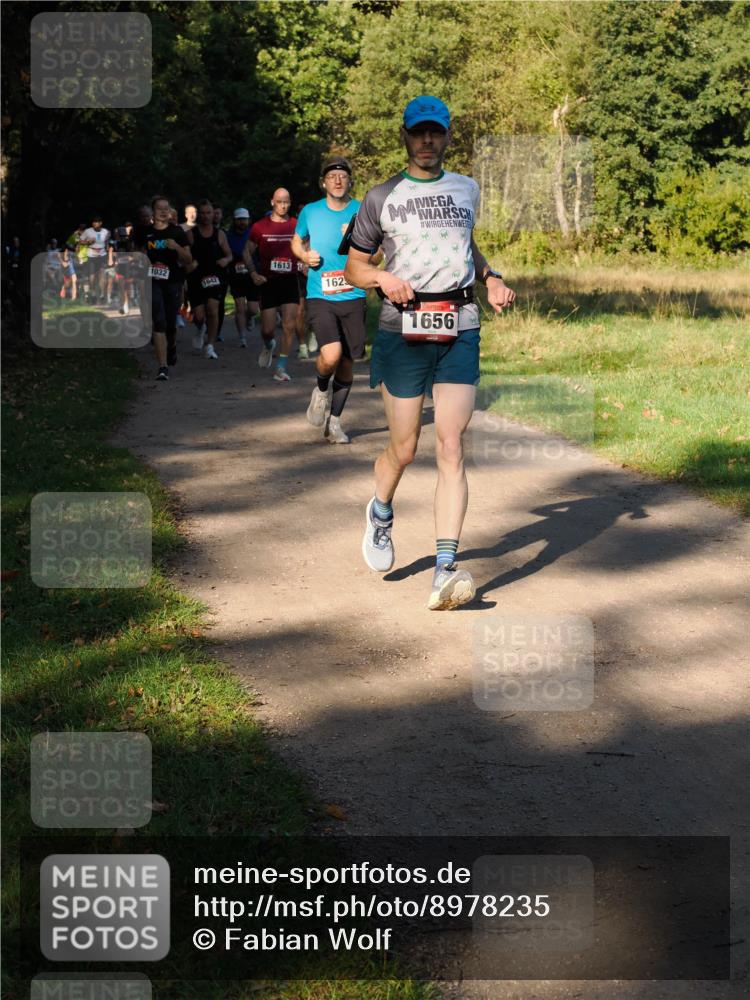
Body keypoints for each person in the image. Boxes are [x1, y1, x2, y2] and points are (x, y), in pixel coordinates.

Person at [345, 96, 516, 610]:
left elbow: (466, 245)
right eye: (419, 133)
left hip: (460, 325)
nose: (427, 142)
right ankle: (380, 511)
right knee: (404, 447)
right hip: (404, 330)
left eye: (435, 133)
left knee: (451, 445)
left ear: (447, 136)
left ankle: (446, 568)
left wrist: (490, 276)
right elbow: (355, 266)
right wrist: (380, 276)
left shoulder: (467, 188)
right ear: (405, 136)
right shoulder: (381, 197)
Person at [292, 157, 369, 444]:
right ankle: (321, 390)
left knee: (349, 361)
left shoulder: (362, 210)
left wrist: (358, 243)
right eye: (332, 176)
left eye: (343, 175)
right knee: (332, 354)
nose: (338, 180)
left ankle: (334, 423)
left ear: (350, 181)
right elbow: (297, 241)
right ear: (324, 182)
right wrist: (303, 255)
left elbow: (378, 255)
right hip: (320, 294)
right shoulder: (310, 212)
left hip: (354, 292)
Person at [133, 194, 192, 380]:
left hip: (173, 280)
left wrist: (177, 247)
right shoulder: (144, 233)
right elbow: (137, 256)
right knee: (158, 321)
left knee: (170, 324)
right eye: (160, 209)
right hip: (153, 281)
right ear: (153, 212)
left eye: (167, 208)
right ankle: (162, 366)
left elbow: (188, 260)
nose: (164, 212)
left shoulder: (177, 233)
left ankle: (171, 346)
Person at [246, 188, 299, 382]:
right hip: (268, 281)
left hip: (290, 280)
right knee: (267, 330)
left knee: (289, 325)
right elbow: (246, 251)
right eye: (279, 202)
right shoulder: (260, 227)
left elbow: (306, 245)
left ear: (290, 202)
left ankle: (281, 367)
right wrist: (253, 273)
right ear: (272, 202)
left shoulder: (296, 224)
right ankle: (269, 346)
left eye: (286, 202)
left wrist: (305, 260)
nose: (283, 205)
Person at [185, 198, 232, 359]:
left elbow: (229, 254)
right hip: (196, 277)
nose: (206, 216)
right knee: (198, 316)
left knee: (212, 309)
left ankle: (210, 345)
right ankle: (200, 329)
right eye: (203, 213)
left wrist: (225, 260)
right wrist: (189, 263)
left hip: (214, 275)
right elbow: (184, 257)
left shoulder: (219, 234)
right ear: (198, 215)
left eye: (209, 213)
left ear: (213, 215)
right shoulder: (191, 234)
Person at [225, 208, 255, 347]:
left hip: (251, 275)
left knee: (253, 309)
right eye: (240, 219)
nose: (242, 222)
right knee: (240, 307)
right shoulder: (228, 236)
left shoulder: (253, 234)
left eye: (244, 219)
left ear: (248, 220)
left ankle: (250, 317)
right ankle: (242, 337)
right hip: (236, 275)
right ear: (235, 220)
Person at [79, 215, 110, 303]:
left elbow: (107, 243)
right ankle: (92, 295)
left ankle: (102, 296)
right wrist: (87, 242)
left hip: (102, 255)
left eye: (96, 222)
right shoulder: (88, 231)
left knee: (102, 276)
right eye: (93, 222)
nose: (94, 223)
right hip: (91, 256)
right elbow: (80, 241)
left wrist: (109, 252)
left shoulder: (105, 231)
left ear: (100, 223)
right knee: (92, 278)